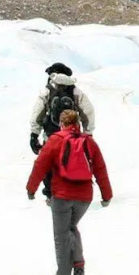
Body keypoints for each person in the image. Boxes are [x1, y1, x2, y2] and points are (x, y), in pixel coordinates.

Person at [26, 108, 112, 275]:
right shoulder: (89, 142)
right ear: (78, 124)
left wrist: (31, 189)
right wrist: (106, 195)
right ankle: (78, 264)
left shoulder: (55, 141)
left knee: (61, 237)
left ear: (62, 124)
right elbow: (100, 169)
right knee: (71, 227)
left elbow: (40, 165)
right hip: (84, 198)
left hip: (62, 196)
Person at [28, 63, 96, 199]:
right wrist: (88, 133)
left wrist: (34, 134)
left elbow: (37, 113)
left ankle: (50, 194)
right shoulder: (75, 91)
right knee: (72, 161)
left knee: (48, 163)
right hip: (73, 136)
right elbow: (88, 112)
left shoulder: (47, 90)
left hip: (51, 135)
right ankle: (72, 191)